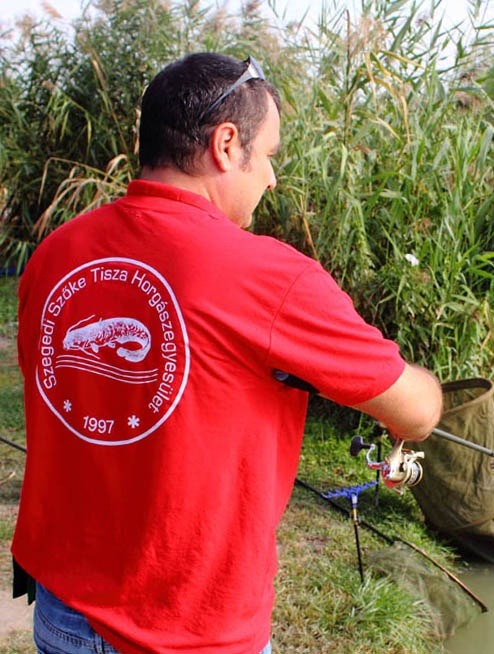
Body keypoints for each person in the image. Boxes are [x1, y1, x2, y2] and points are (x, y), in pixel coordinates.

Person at [13, 52, 443, 653]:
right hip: (189, 630)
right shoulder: (269, 277)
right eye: (267, 156)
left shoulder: (55, 254)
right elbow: (416, 411)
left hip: (64, 612)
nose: (271, 178)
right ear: (226, 143)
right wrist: (429, 384)